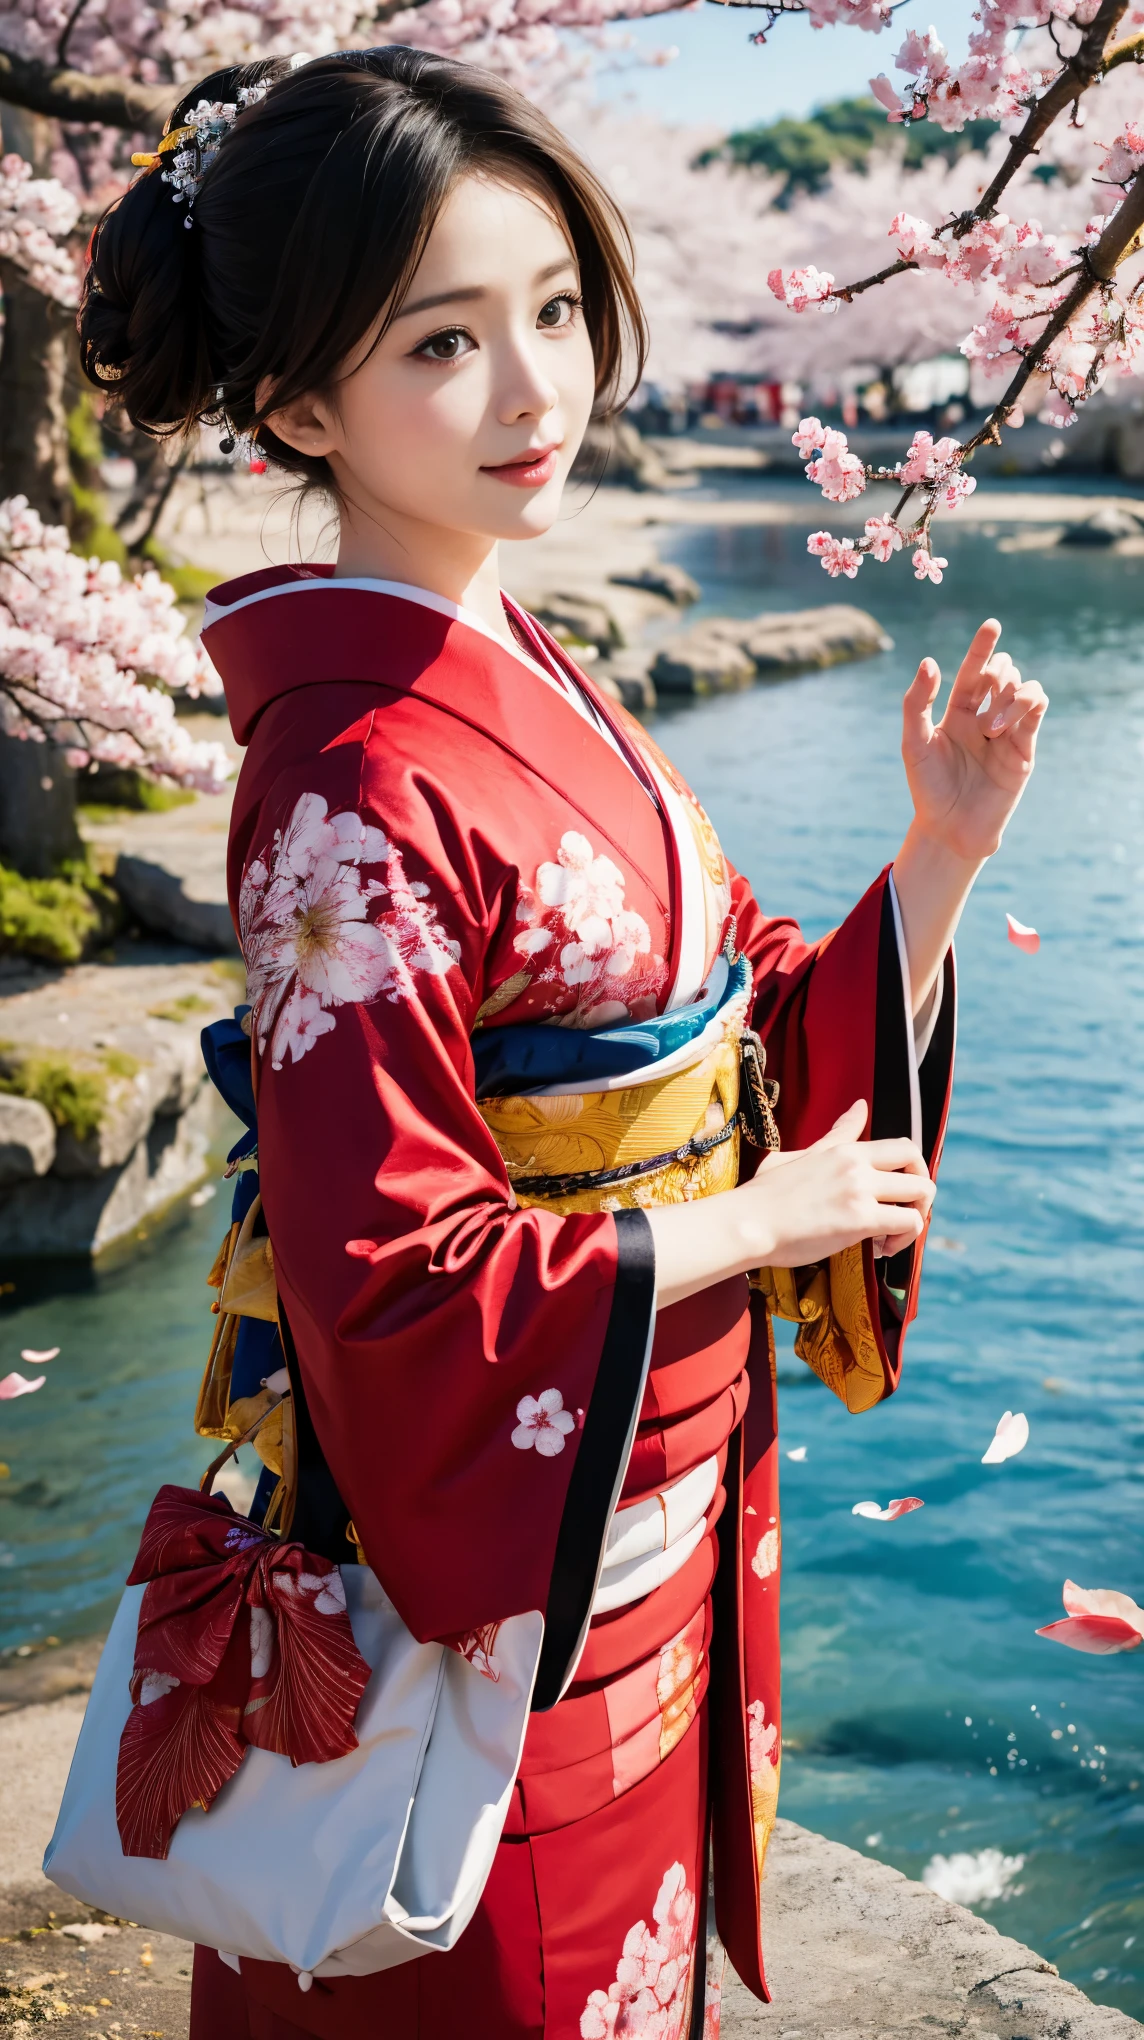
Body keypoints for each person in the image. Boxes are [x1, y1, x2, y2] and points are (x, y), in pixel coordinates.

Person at [78, 47, 1047, 2040]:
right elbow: (388, 1282)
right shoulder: (347, 777)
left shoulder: (527, 662)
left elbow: (739, 1019)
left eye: (548, 311)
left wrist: (934, 862)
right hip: (492, 1586)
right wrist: (743, 1227)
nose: (536, 391)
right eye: (443, 341)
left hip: (645, 1535)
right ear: (293, 404)